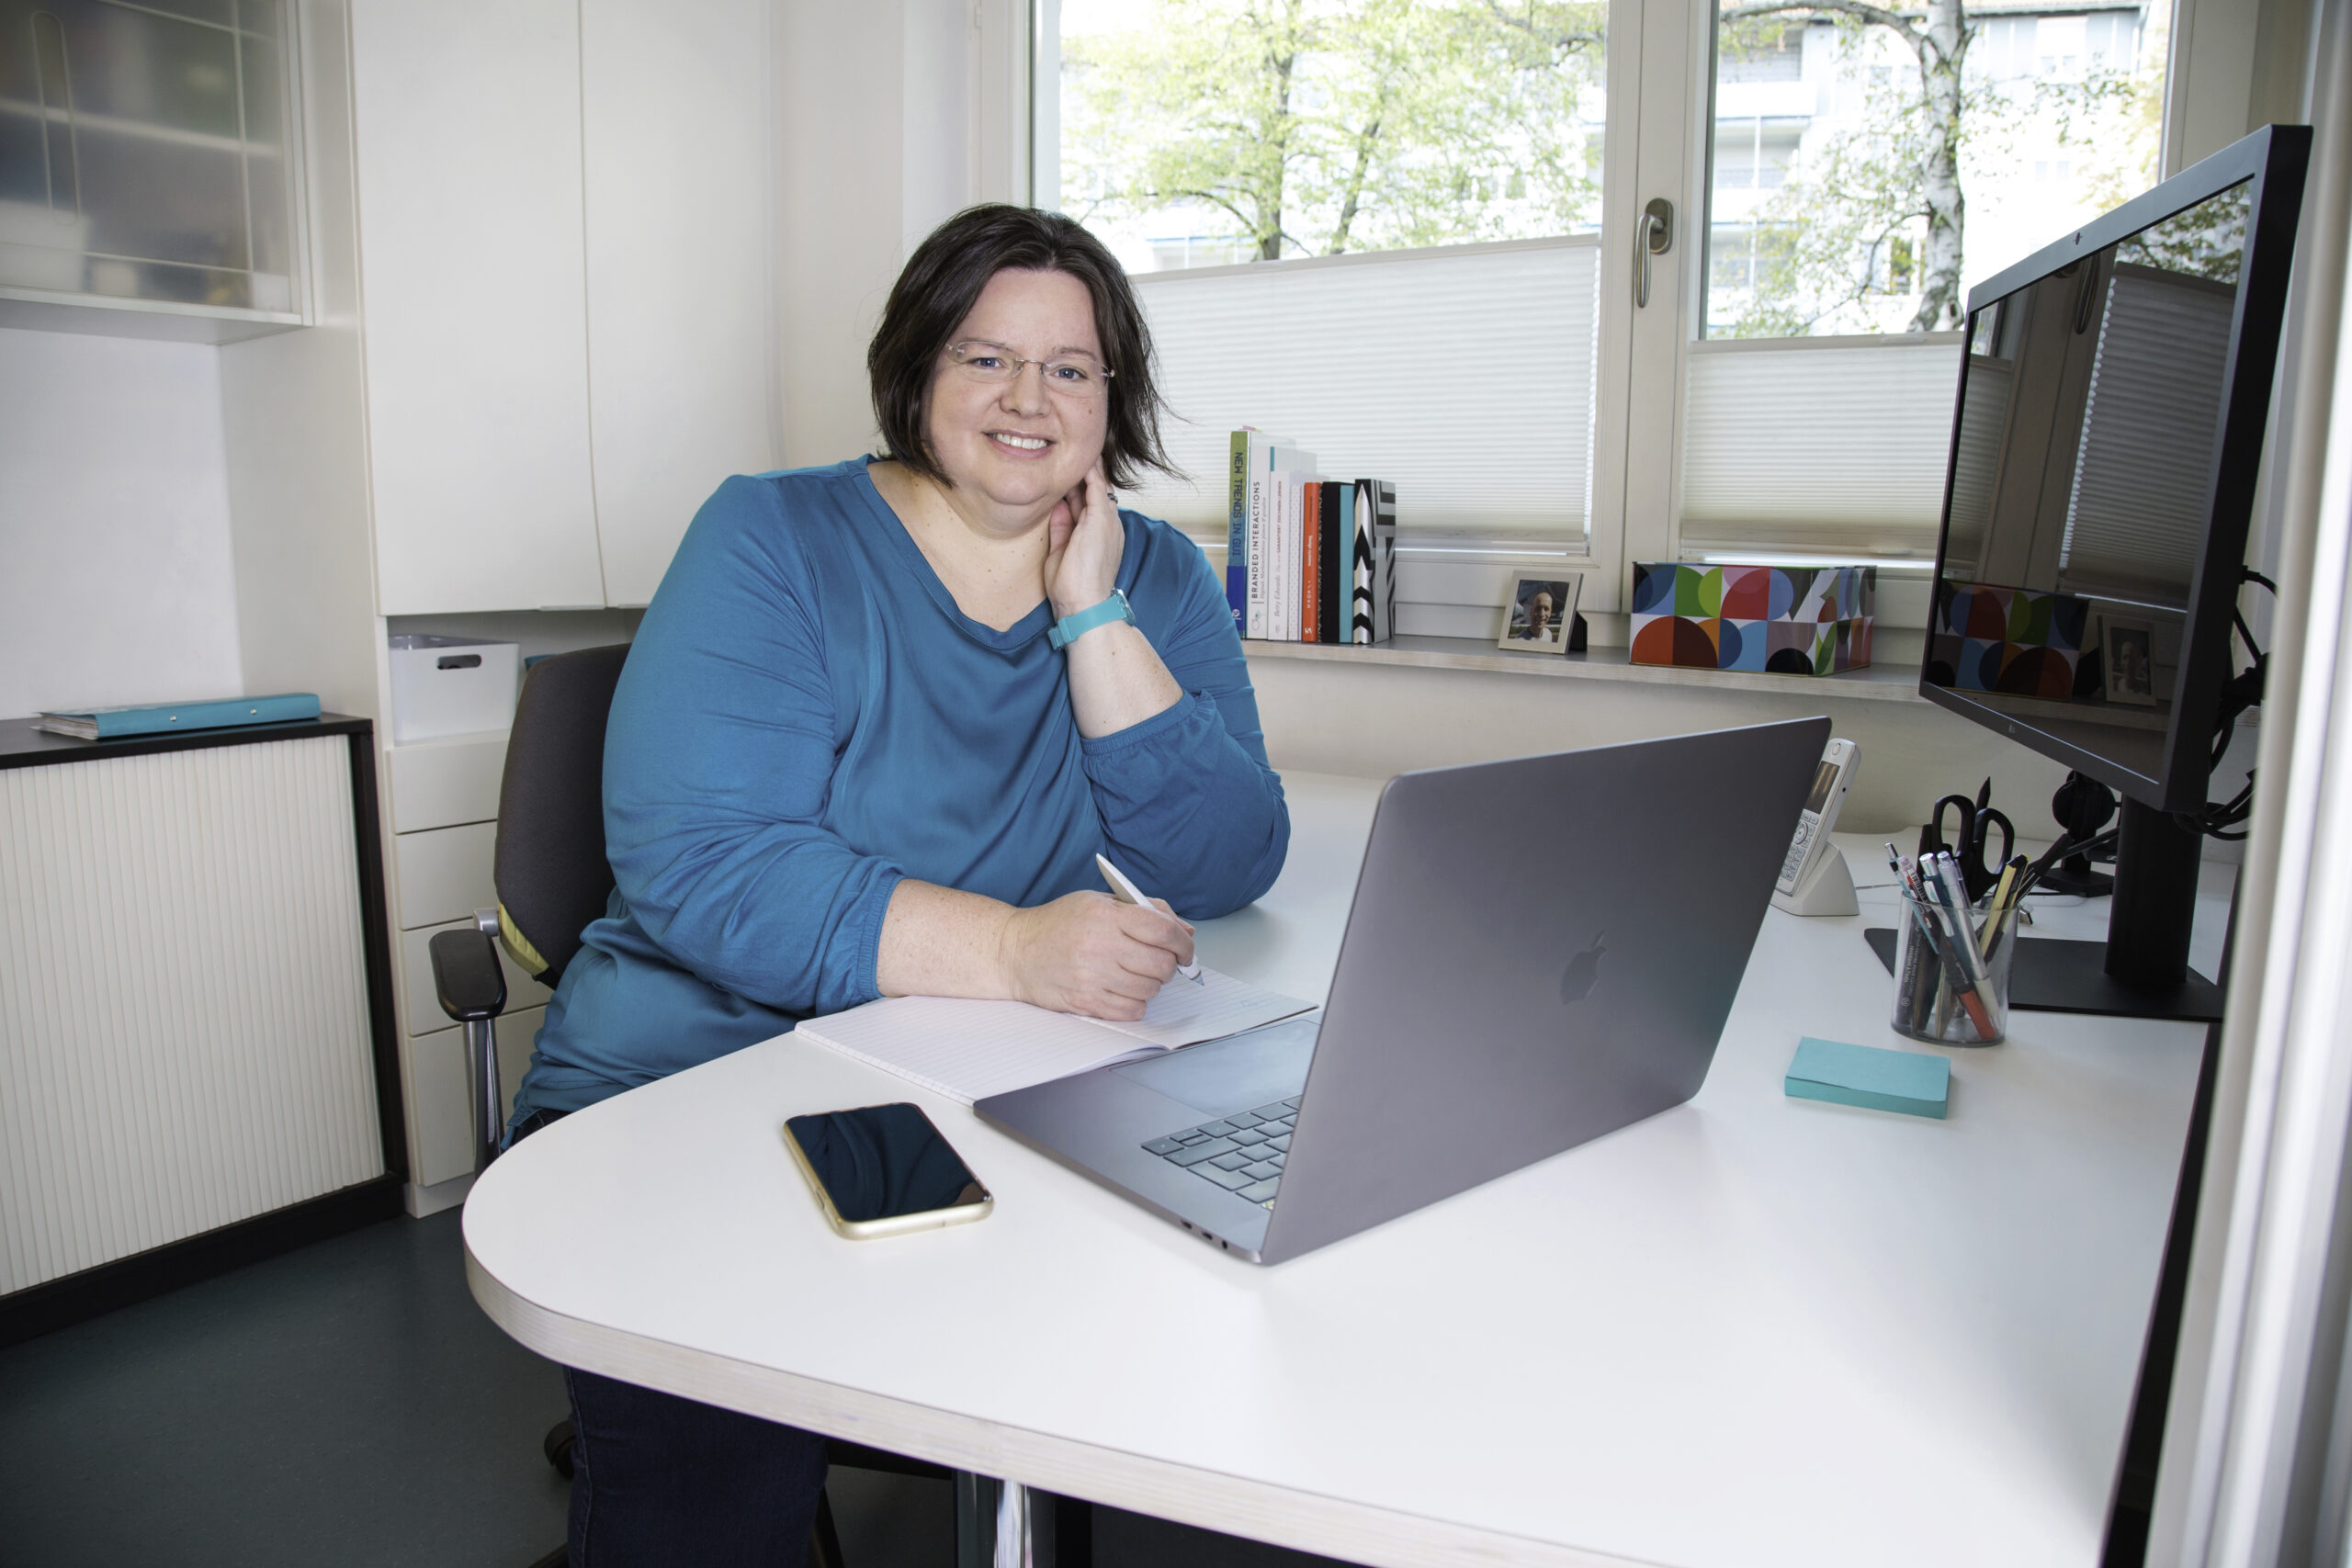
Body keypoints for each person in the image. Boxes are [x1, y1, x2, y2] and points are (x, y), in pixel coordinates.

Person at [503, 204, 1291, 1564]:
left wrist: (1093, 616)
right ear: (917, 370)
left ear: (1113, 398)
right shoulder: (771, 539)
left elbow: (1226, 862)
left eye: (1070, 367)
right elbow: (710, 867)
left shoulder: (1155, 575)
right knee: (714, 1495)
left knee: (1201, 1336)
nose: (1028, 399)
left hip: (987, 1081)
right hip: (696, 1077)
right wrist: (1017, 952)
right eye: (986, 358)